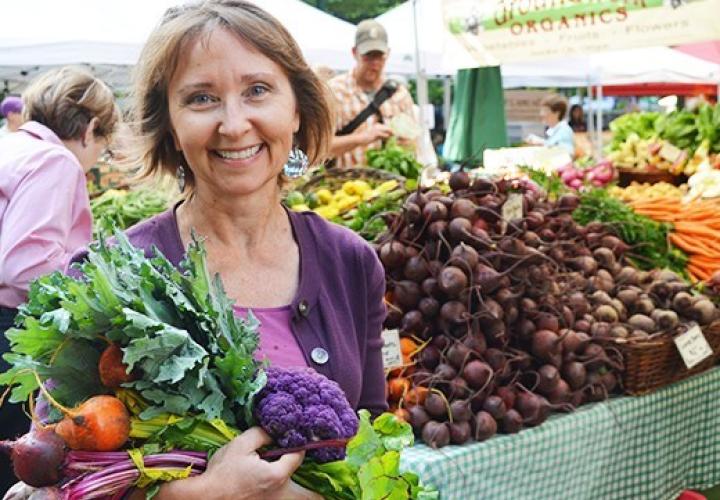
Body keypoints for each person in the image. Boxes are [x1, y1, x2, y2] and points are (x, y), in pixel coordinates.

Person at [62, 2, 386, 498]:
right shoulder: (108, 278)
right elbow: (56, 468)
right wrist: (203, 494)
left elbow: (373, 435)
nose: (234, 125)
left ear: (296, 108)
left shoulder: (352, 262)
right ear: (168, 123)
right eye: (201, 98)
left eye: (257, 90)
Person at [0, 66, 119, 493]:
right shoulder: (56, 161)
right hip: (9, 328)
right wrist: (91, 284)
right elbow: (22, 265)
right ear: (90, 129)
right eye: (103, 146)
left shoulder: (9, 145)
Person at [328, 19, 418, 168]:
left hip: (391, 187)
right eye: (368, 56)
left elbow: (413, 147)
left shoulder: (399, 94)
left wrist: (404, 142)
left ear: (388, 54)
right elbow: (319, 148)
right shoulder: (334, 92)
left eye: (379, 56)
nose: (375, 63)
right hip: (344, 186)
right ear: (354, 52)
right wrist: (362, 138)